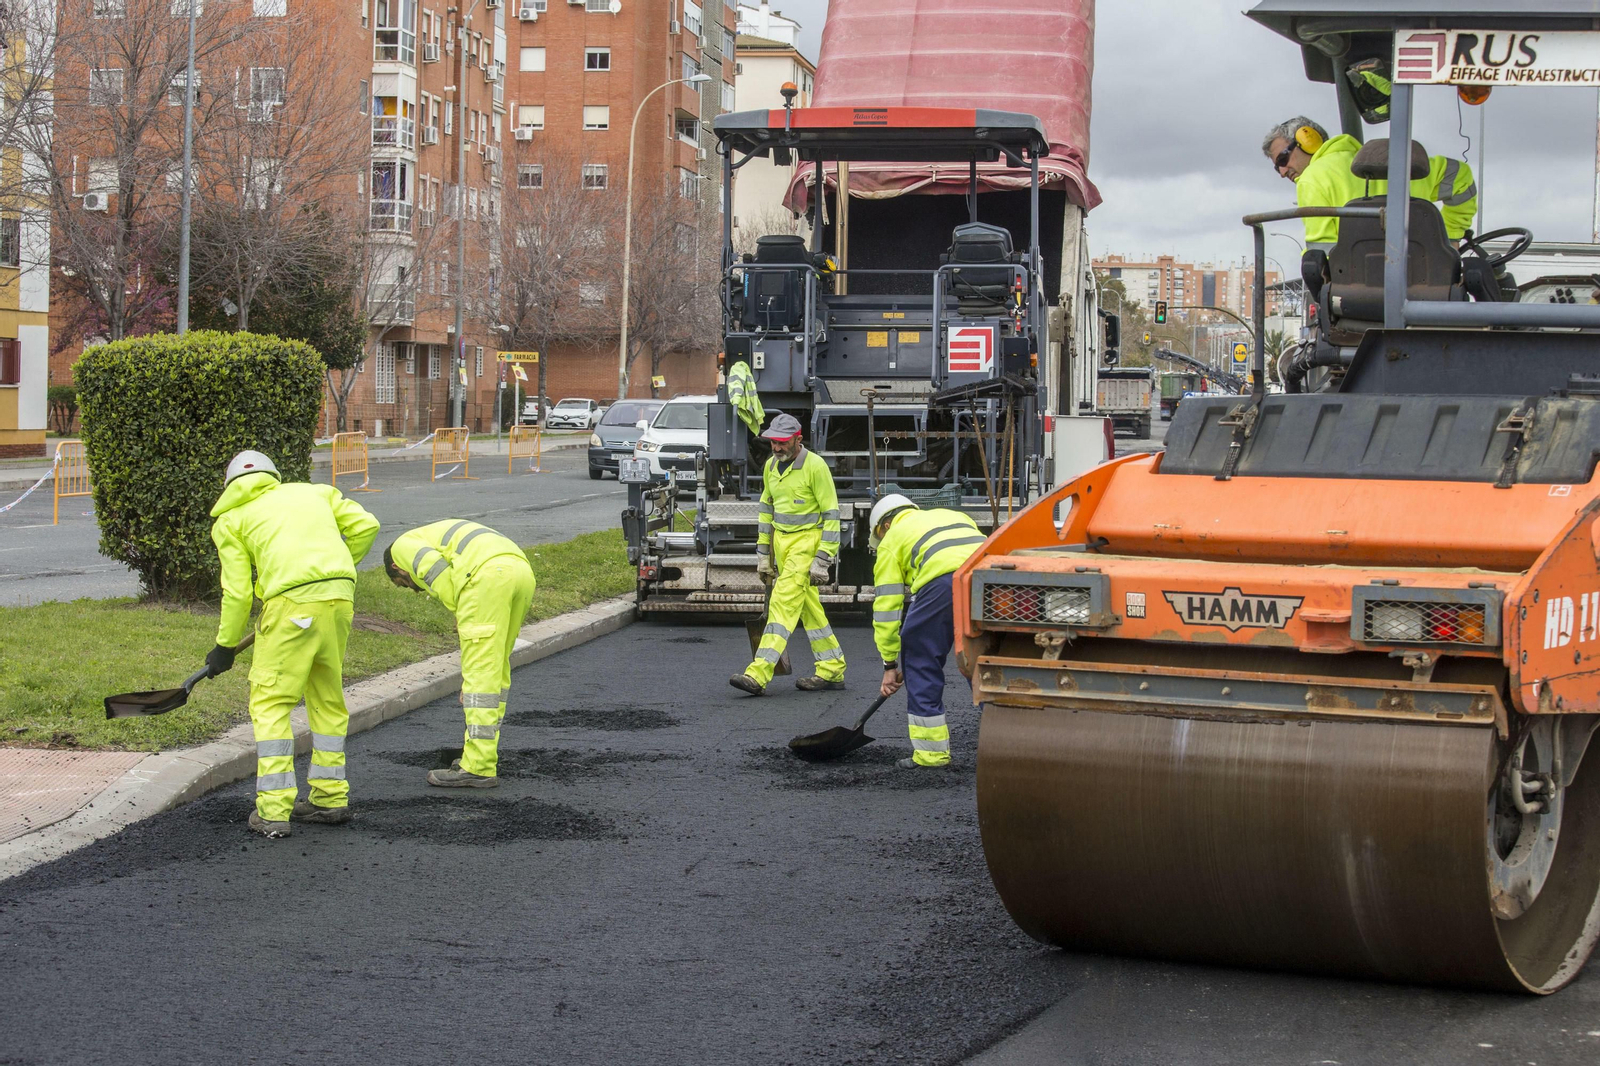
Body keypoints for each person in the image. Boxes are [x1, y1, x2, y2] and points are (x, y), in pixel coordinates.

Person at [208, 450, 380, 839]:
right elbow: (367, 525)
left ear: (230, 484)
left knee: (271, 701)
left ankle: (272, 811)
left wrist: (224, 645)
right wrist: (337, 569)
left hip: (288, 607)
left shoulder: (231, 519)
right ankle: (329, 797)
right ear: (273, 476)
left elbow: (236, 592)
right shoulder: (314, 492)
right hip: (339, 600)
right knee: (327, 697)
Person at [384, 520, 537, 788]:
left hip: (488, 578)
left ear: (397, 567)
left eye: (403, 583)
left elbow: (440, 575)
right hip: (521, 571)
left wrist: (461, 611)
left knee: (479, 676)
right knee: (496, 667)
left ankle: (478, 767)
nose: (412, 589)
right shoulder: (428, 535)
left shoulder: (401, 549)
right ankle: (481, 754)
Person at [730, 412, 846, 695]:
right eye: (773, 443)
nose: (777, 448)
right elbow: (766, 510)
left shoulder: (815, 467)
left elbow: (832, 516)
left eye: (783, 443)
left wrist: (822, 559)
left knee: (781, 605)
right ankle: (832, 667)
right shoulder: (771, 467)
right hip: (782, 548)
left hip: (806, 547)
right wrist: (762, 554)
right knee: (810, 611)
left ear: (798, 440)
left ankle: (758, 674)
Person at [868, 494, 986, 769]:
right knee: (983, 661)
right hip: (990, 580)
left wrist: (890, 664)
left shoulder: (892, 539)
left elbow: (887, 609)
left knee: (920, 658)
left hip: (943, 583)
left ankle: (931, 755)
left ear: (884, 526)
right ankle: (1008, 743)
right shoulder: (953, 516)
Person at [1261, 115, 1477, 249]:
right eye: (1276, 166)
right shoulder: (1401, 165)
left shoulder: (1312, 179)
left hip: (1359, 295)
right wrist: (1449, 241)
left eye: (1283, 159)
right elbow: (1460, 177)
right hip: (1425, 285)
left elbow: (1322, 253)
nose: (1281, 171)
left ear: (1308, 140)